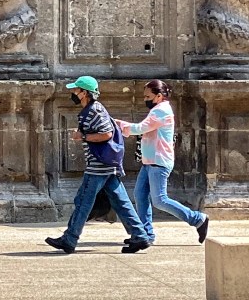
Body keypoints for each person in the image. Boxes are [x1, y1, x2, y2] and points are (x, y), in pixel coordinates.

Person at [45, 75, 152, 254]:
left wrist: (84, 137)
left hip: (98, 166)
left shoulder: (94, 110)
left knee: (83, 202)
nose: (73, 93)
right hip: (106, 165)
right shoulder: (91, 109)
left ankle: (70, 239)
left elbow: (106, 134)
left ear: (84, 93)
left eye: (76, 90)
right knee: (121, 201)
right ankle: (139, 235)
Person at [113, 80, 209, 246]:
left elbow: (140, 128)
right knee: (140, 195)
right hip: (150, 161)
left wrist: (120, 124)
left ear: (159, 96)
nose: (145, 99)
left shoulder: (161, 111)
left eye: (148, 96)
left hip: (159, 161)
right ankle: (145, 234)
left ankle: (197, 219)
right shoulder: (157, 109)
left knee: (159, 200)